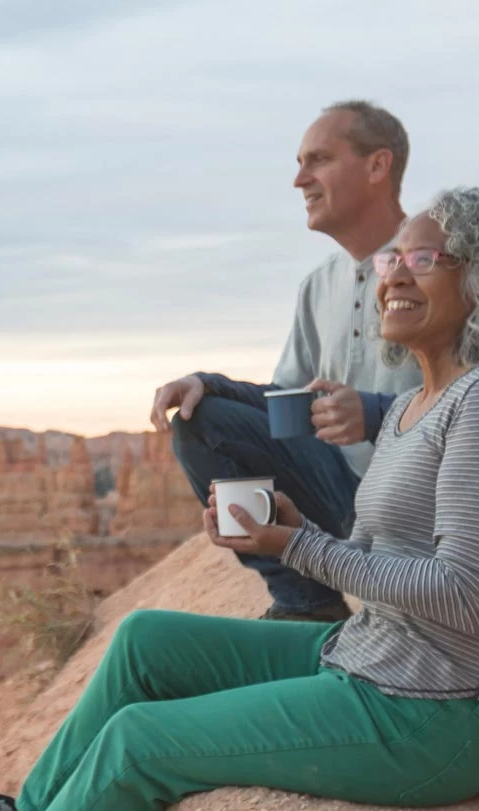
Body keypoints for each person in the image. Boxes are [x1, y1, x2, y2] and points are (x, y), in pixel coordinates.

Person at [0, 186, 479, 811]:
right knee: (145, 641)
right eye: (390, 260)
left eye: (423, 259)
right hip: (371, 653)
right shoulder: (414, 404)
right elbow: (386, 557)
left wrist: (302, 547)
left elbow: (465, 594)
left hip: (435, 716)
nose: (395, 275)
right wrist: (294, 532)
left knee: (139, 740)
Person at [151, 100, 422, 623]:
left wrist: (375, 412)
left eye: (319, 160)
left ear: (377, 166)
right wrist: (207, 384)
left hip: (420, 509)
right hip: (340, 496)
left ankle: (456, 609)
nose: (300, 180)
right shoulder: (317, 286)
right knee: (201, 421)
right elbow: (287, 408)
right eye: (300, 164)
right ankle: (307, 605)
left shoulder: (437, 270)